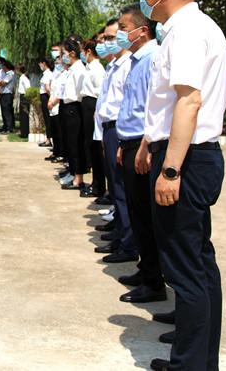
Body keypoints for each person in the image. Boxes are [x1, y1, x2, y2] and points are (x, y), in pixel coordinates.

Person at [141, 0, 226, 371]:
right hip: (194, 155)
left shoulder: (188, 31)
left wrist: (171, 169)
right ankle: (200, 362)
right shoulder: (195, 27)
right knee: (200, 264)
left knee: (186, 270)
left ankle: (189, 366)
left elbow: (189, 101)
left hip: (187, 159)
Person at [111, 4, 167, 305]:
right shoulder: (137, 61)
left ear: (142, 31)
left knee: (145, 215)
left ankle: (154, 281)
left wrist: (143, 146)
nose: (119, 34)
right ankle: (146, 270)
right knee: (137, 212)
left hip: (143, 147)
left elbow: (153, 110)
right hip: (131, 143)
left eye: (123, 27)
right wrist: (124, 144)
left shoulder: (151, 60)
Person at [92, 18, 139, 271]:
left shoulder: (129, 65)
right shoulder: (114, 66)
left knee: (122, 189)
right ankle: (121, 234)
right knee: (116, 186)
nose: (109, 42)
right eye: (107, 38)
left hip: (119, 131)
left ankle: (128, 244)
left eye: (112, 37)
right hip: (109, 129)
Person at [79, 38, 106, 198]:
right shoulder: (89, 68)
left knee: (95, 147)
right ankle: (95, 183)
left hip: (92, 104)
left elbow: (101, 90)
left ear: (88, 52)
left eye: (83, 51)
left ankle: (98, 185)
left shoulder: (97, 68)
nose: (82, 54)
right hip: (87, 104)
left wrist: (96, 109)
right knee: (89, 144)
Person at [59, 39, 87, 190]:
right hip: (67, 107)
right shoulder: (71, 69)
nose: (62, 57)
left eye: (64, 53)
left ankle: (78, 177)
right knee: (69, 143)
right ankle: (72, 172)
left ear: (72, 53)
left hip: (74, 108)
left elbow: (80, 91)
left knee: (76, 144)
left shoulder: (79, 69)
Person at [38, 58, 54, 147]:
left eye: (40, 64)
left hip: (45, 96)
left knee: (48, 118)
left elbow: (47, 88)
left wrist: (51, 97)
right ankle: (48, 138)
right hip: (44, 96)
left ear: (44, 63)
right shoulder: (47, 73)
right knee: (47, 118)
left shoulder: (48, 74)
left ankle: (49, 139)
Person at [0, 60, 15, 134]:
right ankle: (5, 126)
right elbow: (0, 82)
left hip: (7, 95)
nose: (2, 68)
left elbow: (3, 83)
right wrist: (0, 83)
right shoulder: (5, 74)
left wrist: (0, 83)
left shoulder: (10, 74)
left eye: (3, 66)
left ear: (6, 67)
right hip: (3, 94)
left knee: (7, 112)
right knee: (4, 112)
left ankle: (9, 128)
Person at [17, 64, 31, 138]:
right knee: (22, 115)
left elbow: (28, 88)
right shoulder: (22, 77)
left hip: (24, 96)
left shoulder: (24, 78)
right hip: (22, 96)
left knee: (24, 115)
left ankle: (25, 132)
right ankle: (23, 131)